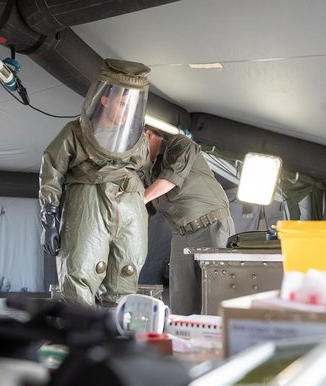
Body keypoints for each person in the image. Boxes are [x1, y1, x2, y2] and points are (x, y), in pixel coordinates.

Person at [39, 59, 151, 307]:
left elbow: (142, 168)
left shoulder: (138, 139)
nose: (127, 111)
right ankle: (82, 338)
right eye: (122, 104)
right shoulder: (75, 133)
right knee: (79, 273)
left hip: (129, 205)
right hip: (88, 202)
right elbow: (52, 168)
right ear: (104, 99)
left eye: (131, 105)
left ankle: (115, 338)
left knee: (125, 276)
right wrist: (49, 215)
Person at [143, 129, 236, 315]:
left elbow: (170, 178)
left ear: (149, 134)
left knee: (216, 297)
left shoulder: (179, 144)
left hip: (210, 226)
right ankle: (182, 341)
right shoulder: (151, 171)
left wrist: (141, 197)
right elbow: (148, 208)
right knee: (180, 299)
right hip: (180, 235)